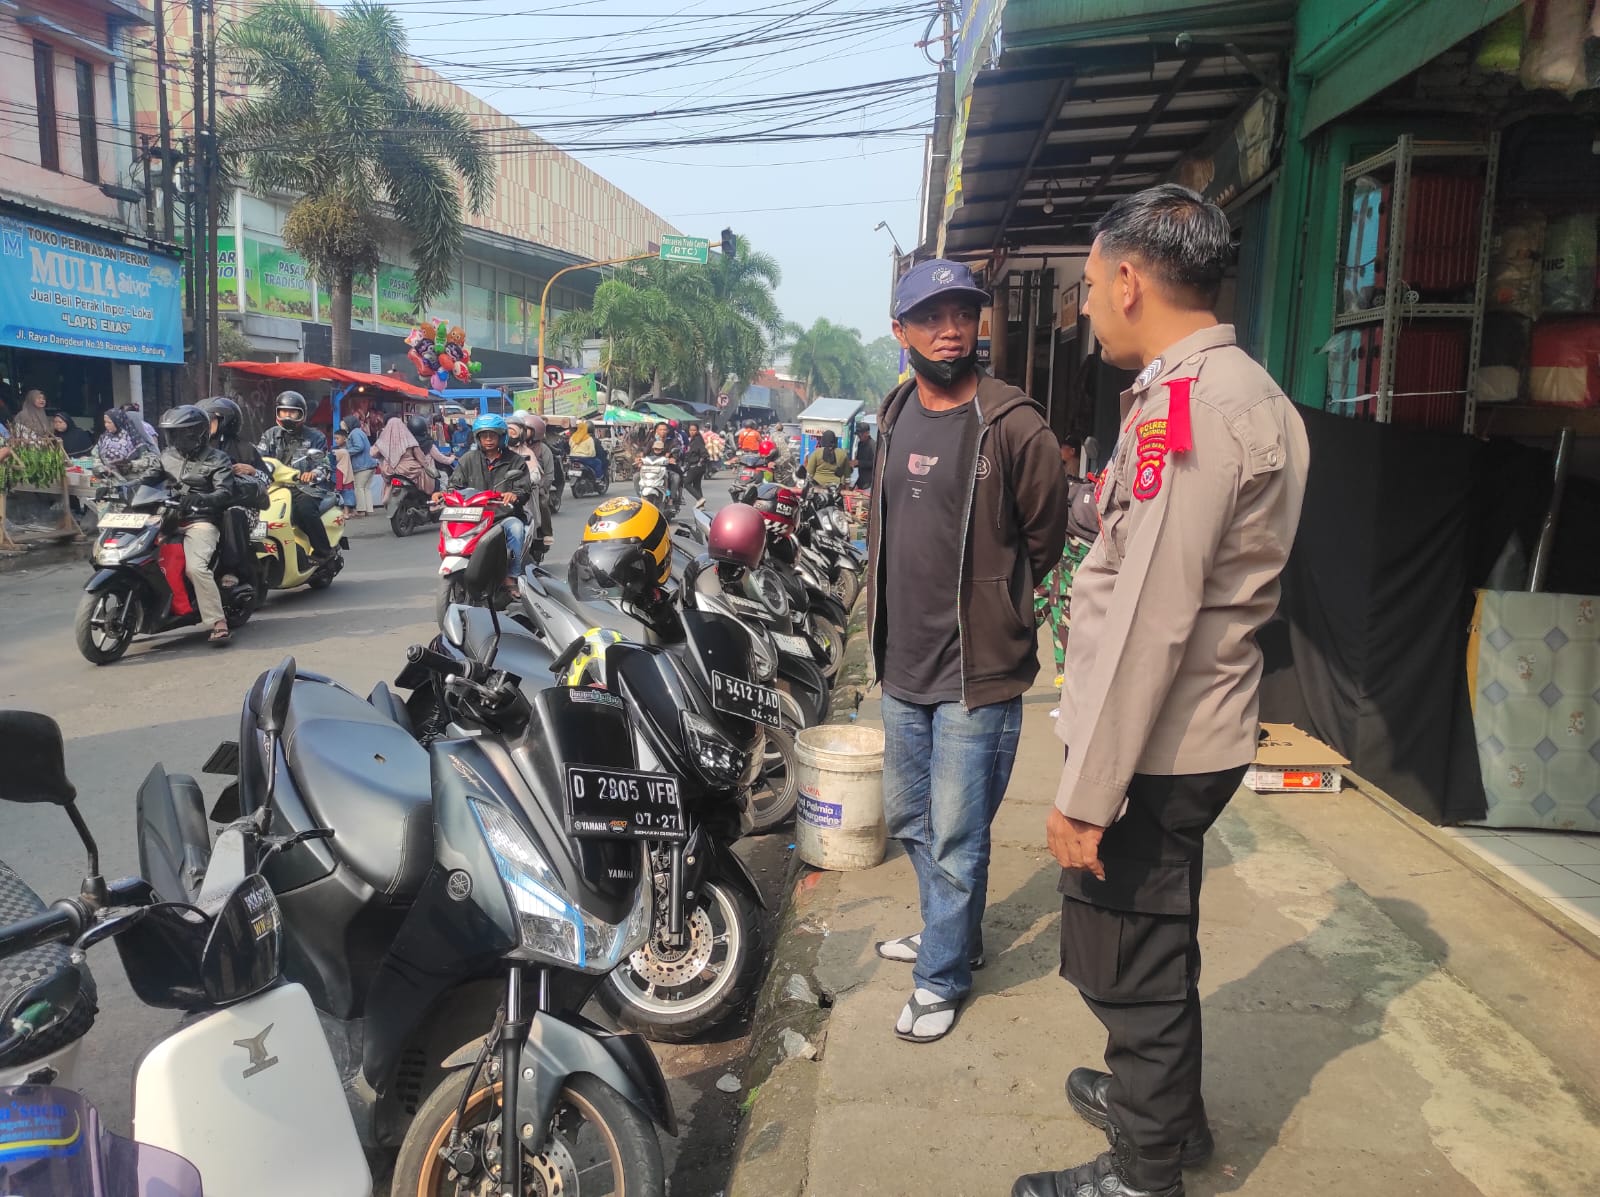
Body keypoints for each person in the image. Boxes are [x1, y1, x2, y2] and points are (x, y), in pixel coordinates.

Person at [1014, 185, 1310, 1197]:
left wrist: (1087, 791)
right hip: (1185, 730)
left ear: (1132, 280)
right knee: (1154, 934)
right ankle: (1166, 1111)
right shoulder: (1235, 391)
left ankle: (1145, 1171)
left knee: (1125, 957)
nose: (1090, 306)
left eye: (1093, 286)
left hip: (1158, 742)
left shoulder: (1195, 408)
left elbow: (1151, 613)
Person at [866, 258, 1068, 1044]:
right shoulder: (891, 414)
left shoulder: (1013, 423)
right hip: (901, 664)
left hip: (975, 673)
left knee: (957, 831)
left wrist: (1001, 605)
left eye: (963, 313)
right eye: (931, 316)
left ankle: (942, 973)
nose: (950, 329)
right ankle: (952, 931)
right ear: (901, 330)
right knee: (909, 816)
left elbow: (1045, 538)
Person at [142, 404, 250, 644]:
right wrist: (119, 487)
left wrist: (200, 498)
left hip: (200, 520)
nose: (174, 438)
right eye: (171, 433)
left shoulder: (218, 459)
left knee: (196, 568)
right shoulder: (167, 456)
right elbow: (147, 479)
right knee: (139, 559)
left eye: (180, 432)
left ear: (196, 432)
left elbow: (225, 492)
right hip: (166, 518)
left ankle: (218, 621)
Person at [1033, 434, 1094, 704]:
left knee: (1061, 612)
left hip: (1067, 553)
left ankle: (1068, 692)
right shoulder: (1066, 476)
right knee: (1046, 602)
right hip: (1063, 555)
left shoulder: (1068, 474)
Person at [440, 414, 533, 584]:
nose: (488, 440)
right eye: (484, 436)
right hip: (473, 516)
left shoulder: (515, 461)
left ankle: (512, 575)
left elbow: (523, 488)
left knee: (516, 529)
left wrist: (514, 495)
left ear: (501, 437)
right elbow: (455, 485)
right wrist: (444, 494)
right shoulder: (468, 459)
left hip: (502, 516)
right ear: (478, 438)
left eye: (492, 435)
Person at [257, 390, 334, 561]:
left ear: (302, 414)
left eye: (292, 412)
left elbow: (324, 465)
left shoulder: (316, 437)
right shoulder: (270, 435)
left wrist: (312, 474)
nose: (287, 416)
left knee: (304, 510)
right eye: (284, 412)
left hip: (306, 489)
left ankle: (324, 552)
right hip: (275, 488)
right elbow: (259, 460)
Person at [507, 412, 555, 559]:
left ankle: (545, 533)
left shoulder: (533, 451)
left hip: (532, 488)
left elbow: (540, 473)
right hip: (506, 489)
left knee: (542, 503)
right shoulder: (503, 451)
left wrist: (536, 484)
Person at [94, 409, 161, 483]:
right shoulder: (104, 438)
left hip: (132, 482)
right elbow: (97, 457)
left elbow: (150, 461)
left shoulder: (133, 438)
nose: (106, 425)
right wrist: (101, 468)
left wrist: (130, 465)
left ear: (118, 421)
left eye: (109, 422)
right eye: (105, 422)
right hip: (111, 482)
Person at [342, 415, 376, 517]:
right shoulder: (360, 432)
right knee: (366, 488)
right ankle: (368, 510)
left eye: (344, 424)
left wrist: (346, 452)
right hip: (370, 464)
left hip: (362, 465)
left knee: (359, 487)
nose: (343, 426)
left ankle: (361, 510)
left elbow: (359, 446)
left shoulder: (354, 433)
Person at [682, 422, 708, 508]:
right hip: (697, 466)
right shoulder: (693, 440)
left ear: (697, 431)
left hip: (696, 466)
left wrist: (699, 463)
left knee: (686, 483)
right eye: (691, 430)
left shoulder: (697, 440)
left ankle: (700, 499)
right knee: (697, 485)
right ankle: (701, 505)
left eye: (694, 430)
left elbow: (704, 453)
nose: (692, 432)